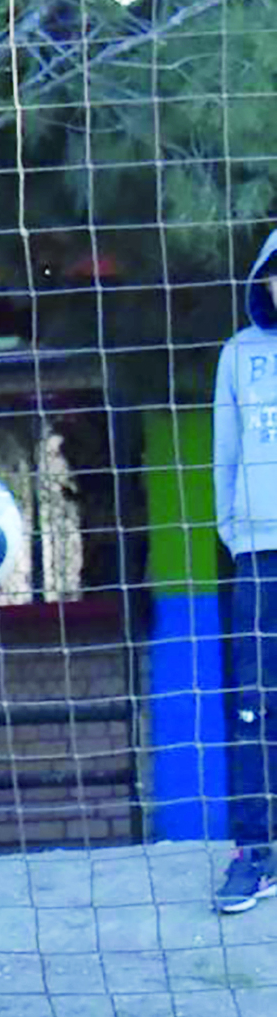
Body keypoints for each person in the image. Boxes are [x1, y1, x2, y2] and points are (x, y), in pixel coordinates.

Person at [215, 221, 277, 913]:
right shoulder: (238, 356)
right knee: (255, 705)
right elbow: (221, 457)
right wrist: (236, 537)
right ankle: (254, 852)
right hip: (258, 555)